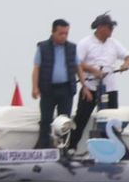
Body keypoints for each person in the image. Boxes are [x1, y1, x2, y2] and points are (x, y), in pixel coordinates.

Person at [68, 13, 129, 151]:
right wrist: (93, 70)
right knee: (81, 118)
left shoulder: (114, 43)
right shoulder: (85, 43)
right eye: (109, 27)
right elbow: (77, 63)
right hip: (90, 87)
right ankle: (71, 147)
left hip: (109, 88)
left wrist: (125, 64)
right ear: (101, 27)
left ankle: (112, 149)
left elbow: (128, 57)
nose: (111, 31)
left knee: (112, 119)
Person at [31, 18, 89, 149]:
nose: (63, 36)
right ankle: (44, 148)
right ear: (53, 32)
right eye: (61, 33)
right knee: (46, 120)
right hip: (48, 88)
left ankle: (63, 148)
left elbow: (78, 67)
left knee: (64, 121)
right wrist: (34, 87)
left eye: (66, 33)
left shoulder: (72, 48)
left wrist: (84, 86)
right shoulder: (43, 47)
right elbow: (36, 68)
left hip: (66, 88)